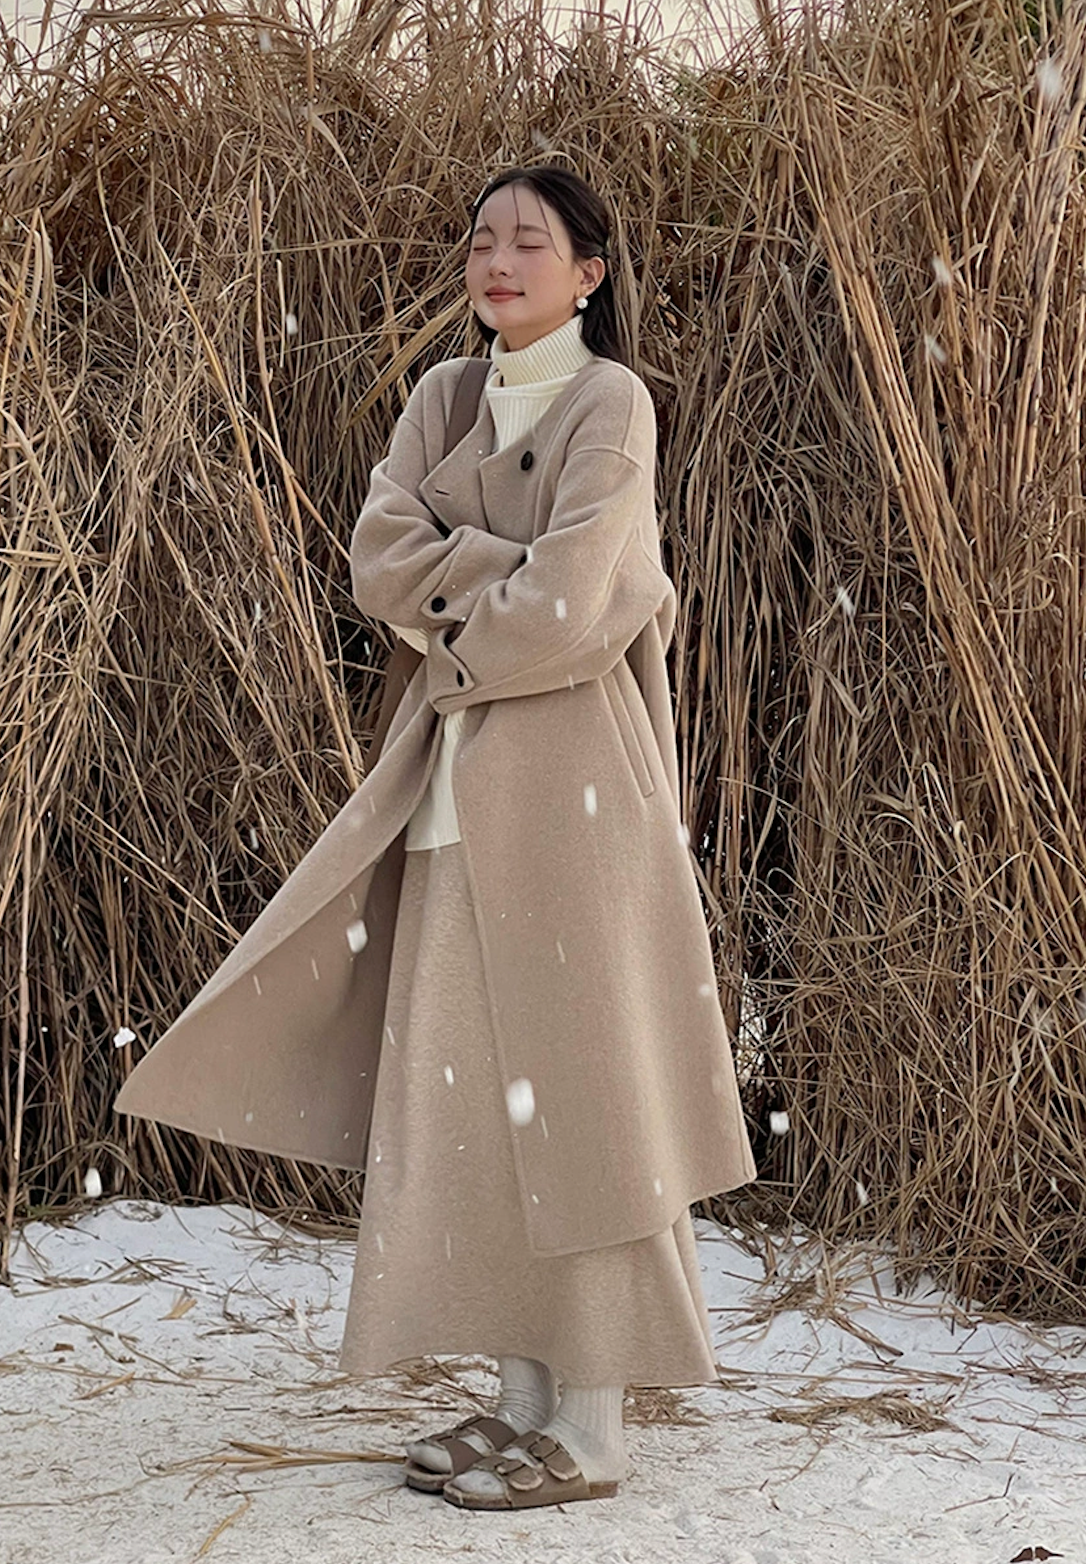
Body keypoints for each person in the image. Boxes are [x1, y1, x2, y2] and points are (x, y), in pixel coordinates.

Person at [338, 163, 758, 1509]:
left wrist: (455, 605)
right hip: (457, 792)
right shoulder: (442, 398)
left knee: (584, 1102)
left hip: (575, 798)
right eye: (480, 240)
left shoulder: (608, 401)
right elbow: (375, 560)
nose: (498, 259)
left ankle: (592, 1419)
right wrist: (494, 588)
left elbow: (576, 602)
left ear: (590, 272)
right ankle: (521, 1401)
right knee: (477, 1101)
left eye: (533, 240)